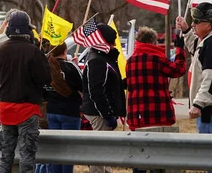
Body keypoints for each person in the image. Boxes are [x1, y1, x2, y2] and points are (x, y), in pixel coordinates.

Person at [0, 10, 51, 173]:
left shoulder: (1, 49)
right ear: (28, 30)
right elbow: (45, 78)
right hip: (27, 108)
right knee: (27, 153)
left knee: (6, 153)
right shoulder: (33, 51)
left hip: (6, 107)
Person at [176, 3, 212, 134]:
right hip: (209, 107)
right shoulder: (208, 41)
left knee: (209, 152)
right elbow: (195, 48)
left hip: (210, 110)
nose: (192, 24)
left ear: (208, 24)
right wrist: (185, 31)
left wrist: (198, 104)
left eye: (196, 21)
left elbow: (211, 79)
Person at [81, 23, 126, 173]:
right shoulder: (97, 61)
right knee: (99, 151)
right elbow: (96, 91)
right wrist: (107, 115)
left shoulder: (103, 58)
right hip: (98, 113)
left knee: (104, 151)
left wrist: (124, 83)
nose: (114, 44)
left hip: (101, 110)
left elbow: (109, 84)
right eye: (112, 41)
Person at [126, 26, 187, 131]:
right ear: (153, 42)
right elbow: (179, 70)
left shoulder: (130, 61)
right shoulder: (158, 59)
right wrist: (180, 50)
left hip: (136, 115)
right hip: (158, 113)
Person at [44, 42, 83, 173]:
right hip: (69, 112)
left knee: (55, 150)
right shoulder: (71, 67)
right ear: (65, 51)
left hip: (51, 112)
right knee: (68, 149)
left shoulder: (45, 68)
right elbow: (84, 87)